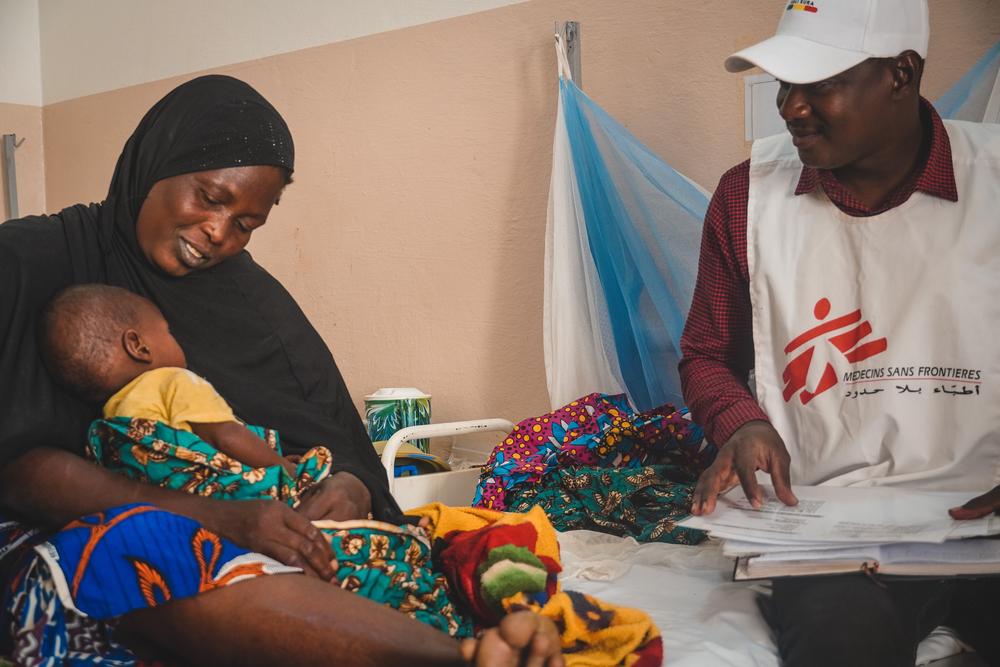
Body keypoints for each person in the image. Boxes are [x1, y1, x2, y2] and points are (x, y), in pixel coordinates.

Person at [0, 74, 563, 666]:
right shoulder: (25, 264)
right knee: (147, 552)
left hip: (255, 523)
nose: (219, 233)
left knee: (314, 557)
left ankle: (466, 650)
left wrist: (347, 485)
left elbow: (330, 437)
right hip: (57, 530)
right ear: (156, 163)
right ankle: (456, 659)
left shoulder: (246, 303)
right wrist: (223, 517)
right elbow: (21, 471)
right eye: (210, 198)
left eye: (246, 225)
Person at [679, 1, 1000, 665]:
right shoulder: (747, 199)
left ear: (901, 74)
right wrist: (740, 423)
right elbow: (706, 355)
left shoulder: (993, 183)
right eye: (784, 85)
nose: (792, 107)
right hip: (832, 536)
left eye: (819, 83)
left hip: (986, 514)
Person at [40, 283, 328, 493]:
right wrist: (285, 469)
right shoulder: (173, 381)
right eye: (166, 331)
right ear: (138, 346)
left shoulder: (110, 422)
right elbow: (225, 437)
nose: (176, 340)